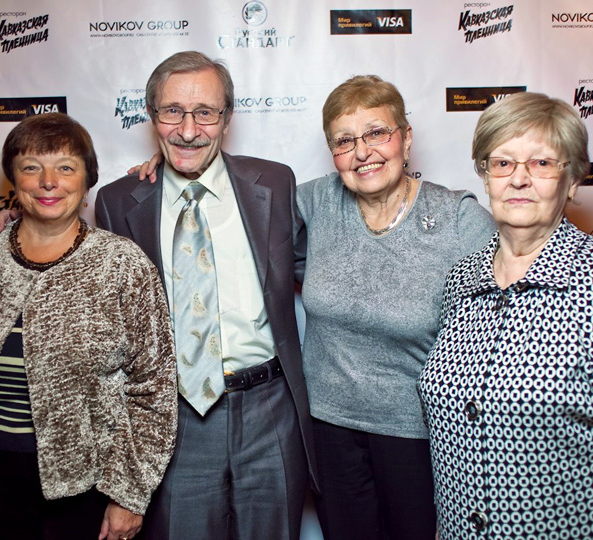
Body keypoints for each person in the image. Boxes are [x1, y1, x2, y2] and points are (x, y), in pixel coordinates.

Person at [95, 51, 317, 539]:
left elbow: (332, 248)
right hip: (172, 420)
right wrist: (13, 221)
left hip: (270, 412)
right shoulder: (118, 202)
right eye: (172, 111)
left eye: (205, 113)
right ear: (151, 115)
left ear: (227, 118)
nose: (188, 130)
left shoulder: (275, 183)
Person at [0, 113, 178, 540]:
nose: (48, 182)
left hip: (90, 492)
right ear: (13, 179)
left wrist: (129, 494)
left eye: (65, 168)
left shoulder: (122, 265)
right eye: (31, 167)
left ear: (87, 180)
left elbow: (155, 388)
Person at [296, 75, 495, 540]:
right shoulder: (316, 202)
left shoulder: (457, 218)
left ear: (406, 138)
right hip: (329, 430)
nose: (362, 151)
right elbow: (238, 208)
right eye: (344, 141)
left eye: (376, 133)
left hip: (419, 434)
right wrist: (170, 169)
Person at [418, 92, 593, 539]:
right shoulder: (462, 279)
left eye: (541, 163)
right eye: (502, 163)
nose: (518, 179)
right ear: (485, 177)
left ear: (572, 180)